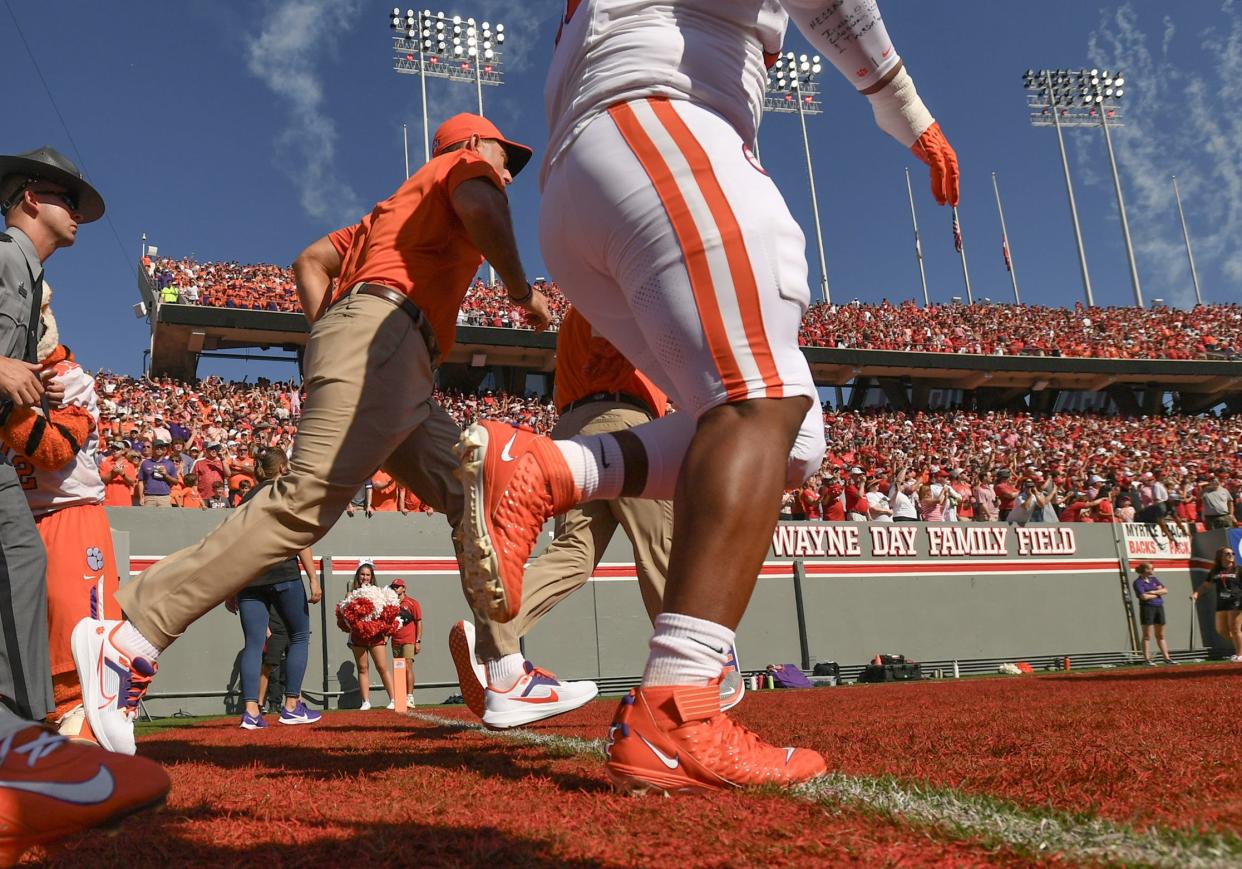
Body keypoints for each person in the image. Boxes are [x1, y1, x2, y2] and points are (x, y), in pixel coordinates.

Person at [456, 0, 958, 792]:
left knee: (790, 440)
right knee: (759, 400)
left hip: (590, 173)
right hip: (663, 125)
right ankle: (678, 707)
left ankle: (553, 470)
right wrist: (905, 107)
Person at [75, 112, 550, 754]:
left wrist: (330, 322)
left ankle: (504, 669)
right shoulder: (462, 168)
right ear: (470, 143)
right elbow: (481, 204)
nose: (507, 172)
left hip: (397, 354)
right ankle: (131, 635)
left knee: (477, 496)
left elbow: (309, 261)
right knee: (303, 503)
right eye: (504, 156)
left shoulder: (388, 214)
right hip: (386, 337)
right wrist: (520, 290)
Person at [449, 306, 739, 729]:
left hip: (571, 427)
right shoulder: (611, 293)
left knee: (572, 553)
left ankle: (493, 635)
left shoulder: (579, 310)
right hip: (623, 421)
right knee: (661, 546)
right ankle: (695, 671)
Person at [0, 145, 168, 855]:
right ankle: (20, 740)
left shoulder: (24, 271)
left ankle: (20, 737)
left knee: (20, 564)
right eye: (69, 201)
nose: (79, 216)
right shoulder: (10, 255)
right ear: (32, 199)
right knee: (21, 566)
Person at [1, 292, 120, 742]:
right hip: (15, 515)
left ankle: (87, 725)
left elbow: (55, 451)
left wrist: (6, 407)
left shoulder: (69, 378)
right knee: (22, 638)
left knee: (80, 632)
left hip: (69, 514)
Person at [225, 448, 322, 729]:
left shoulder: (245, 499)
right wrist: (313, 578)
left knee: (253, 644)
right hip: (283, 573)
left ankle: (251, 712)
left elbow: (233, 544)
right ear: (281, 468)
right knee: (300, 635)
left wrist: (232, 586)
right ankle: (292, 705)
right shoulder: (286, 493)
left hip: (250, 579)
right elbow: (299, 537)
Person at [343, 562, 397, 710]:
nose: (365, 577)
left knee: (382, 666)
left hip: (376, 635)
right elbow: (346, 617)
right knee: (362, 667)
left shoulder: (379, 593)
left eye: (367, 575)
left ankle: (393, 699)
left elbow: (387, 613)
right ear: (357, 576)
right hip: (358, 636)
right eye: (362, 574)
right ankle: (365, 701)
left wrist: (385, 632)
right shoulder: (350, 594)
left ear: (372, 577)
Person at [1192, 547, 1242, 662]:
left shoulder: (1238, 569)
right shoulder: (1215, 571)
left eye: (1232, 553)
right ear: (1220, 556)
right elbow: (1206, 585)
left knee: (1234, 628)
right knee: (1221, 630)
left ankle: (1240, 654)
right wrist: (1196, 593)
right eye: (1227, 553)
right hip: (1222, 602)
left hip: (1236, 601)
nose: (1231, 555)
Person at [1133, 562, 1175, 665]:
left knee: (1160, 634)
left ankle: (1167, 658)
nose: (1153, 569)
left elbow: (1165, 590)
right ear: (1145, 570)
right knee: (1147, 635)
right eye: (1151, 568)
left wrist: (1152, 592)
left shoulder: (1154, 580)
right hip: (1147, 608)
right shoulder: (1138, 582)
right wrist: (1157, 593)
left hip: (1159, 607)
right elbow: (1143, 597)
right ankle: (1147, 660)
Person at [390, 579, 421, 708]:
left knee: (408, 666)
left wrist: (417, 640)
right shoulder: (391, 604)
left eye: (398, 586)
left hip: (409, 640)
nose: (395, 588)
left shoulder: (412, 603)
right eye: (394, 586)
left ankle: (410, 696)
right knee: (398, 669)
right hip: (396, 640)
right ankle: (401, 699)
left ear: (404, 588)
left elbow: (419, 622)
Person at [138, 439, 180, 507]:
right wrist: (141, 497)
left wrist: (166, 475)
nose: (159, 449)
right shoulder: (145, 463)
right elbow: (141, 481)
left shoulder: (169, 463)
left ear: (164, 449)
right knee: (147, 517)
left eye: (161, 448)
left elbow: (176, 481)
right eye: (157, 447)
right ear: (153, 449)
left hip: (165, 497)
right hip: (149, 497)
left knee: (165, 517)